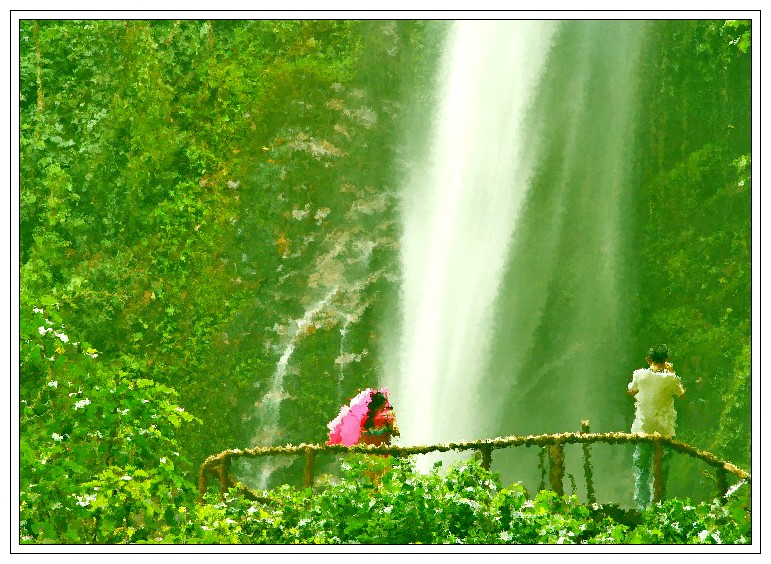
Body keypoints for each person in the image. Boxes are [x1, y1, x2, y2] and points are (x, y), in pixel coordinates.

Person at [627, 344, 685, 510]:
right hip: (664, 431)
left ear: (648, 360)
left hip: (643, 428)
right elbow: (681, 393)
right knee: (661, 470)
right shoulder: (671, 379)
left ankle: (642, 507)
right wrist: (672, 372)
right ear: (666, 361)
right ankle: (658, 506)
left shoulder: (639, 374)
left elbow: (631, 390)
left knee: (641, 469)